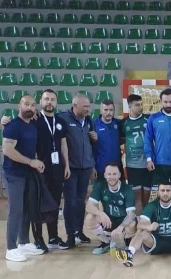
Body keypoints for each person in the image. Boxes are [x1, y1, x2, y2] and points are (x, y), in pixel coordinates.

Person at [1, 88, 71, 251]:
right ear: (41, 102)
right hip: (36, 169)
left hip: (53, 168)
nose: (49, 102)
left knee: (52, 203)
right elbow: (13, 134)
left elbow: (63, 144)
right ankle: (36, 240)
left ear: (56, 102)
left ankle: (51, 237)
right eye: (46, 99)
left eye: (52, 99)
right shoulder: (34, 120)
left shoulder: (60, 121)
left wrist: (66, 164)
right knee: (33, 205)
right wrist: (4, 123)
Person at [2, 95, 46, 262]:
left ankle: (23, 242)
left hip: (28, 173)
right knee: (16, 210)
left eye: (33, 105)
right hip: (13, 174)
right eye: (26, 104)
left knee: (27, 208)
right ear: (18, 106)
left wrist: (34, 164)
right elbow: (7, 150)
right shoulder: (13, 126)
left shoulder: (32, 125)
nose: (30, 107)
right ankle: (11, 248)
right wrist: (30, 161)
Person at [60, 92, 98, 249]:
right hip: (70, 168)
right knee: (70, 202)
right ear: (75, 105)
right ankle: (70, 236)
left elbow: (90, 145)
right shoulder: (63, 119)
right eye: (85, 106)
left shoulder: (89, 120)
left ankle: (79, 232)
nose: (88, 109)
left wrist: (92, 165)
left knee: (81, 201)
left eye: (89, 106)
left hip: (85, 168)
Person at [126, 182, 171, 264]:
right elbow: (140, 225)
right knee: (141, 231)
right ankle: (129, 253)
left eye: (168, 190)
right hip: (155, 241)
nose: (165, 193)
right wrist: (149, 227)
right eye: (162, 190)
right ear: (158, 192)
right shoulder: (151, 205)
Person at [84, 162, 137, 255]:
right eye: (109, 174)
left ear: (119, 175)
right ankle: (105, 242)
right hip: (107, 220)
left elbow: (131, 214)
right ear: (105, 175)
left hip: (122, 221)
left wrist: (121, 227)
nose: (111, 177)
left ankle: (127, 242)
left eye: (114, 174)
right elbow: (88, 206)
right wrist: (101, 213)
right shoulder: (100, 185)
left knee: (132, 223)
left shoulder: (127, 189)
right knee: (89, 218)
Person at [120, 94, 151, 213]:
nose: (141, 107)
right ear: (130, 107)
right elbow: (121, 140)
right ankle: (138, 221)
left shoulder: (148, 119)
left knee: (146, 195)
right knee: (137, 196)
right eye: (137, 105)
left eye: (141, 104)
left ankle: (145, 218)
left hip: (148, 164)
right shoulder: (124, 123)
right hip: (133, 165)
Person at [93, 99, 122, 182]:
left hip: (117, 167)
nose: (108, 112)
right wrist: (92, 167)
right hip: (101, 168)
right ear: (101, 111)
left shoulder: (119, 123)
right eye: (105, 110)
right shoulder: (94, 124)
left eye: (111, 110)